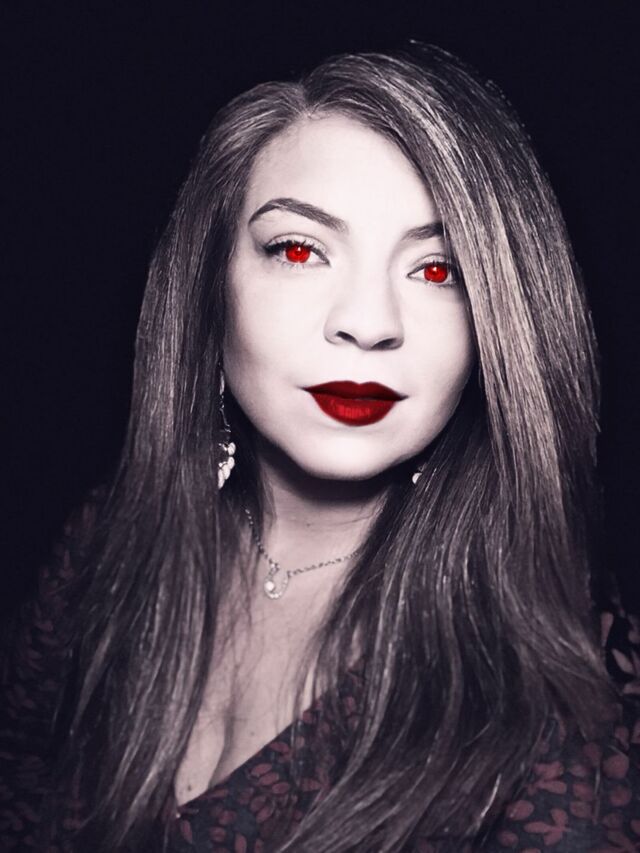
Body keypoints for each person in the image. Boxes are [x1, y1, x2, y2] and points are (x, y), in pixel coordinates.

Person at [2, 42, 639, 853]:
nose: (368, 323)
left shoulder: (561, 695)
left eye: (437, 269)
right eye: (300, 250)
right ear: (210, 289)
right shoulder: (105, 545)